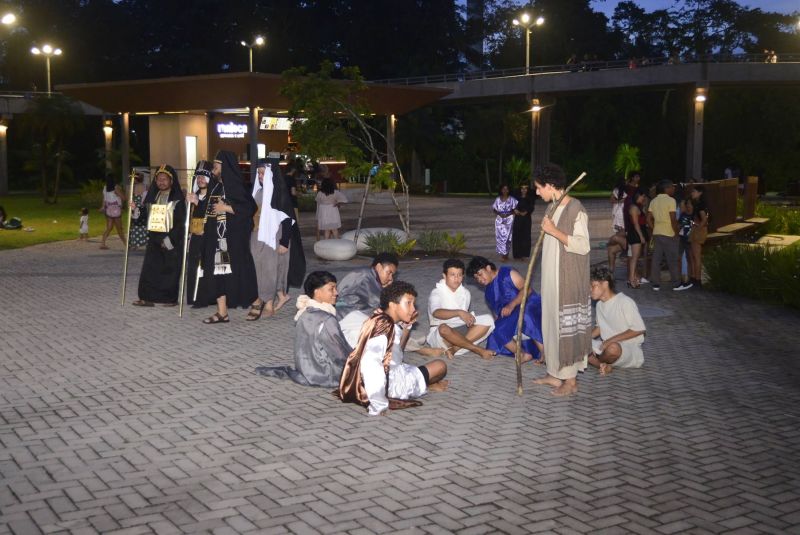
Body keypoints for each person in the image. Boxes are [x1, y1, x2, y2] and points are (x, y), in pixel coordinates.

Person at [337, 281, 448, 416]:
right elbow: (370, 362)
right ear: (393, 305)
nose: (413, 309)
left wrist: (407, 327)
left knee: (421, 368)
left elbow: (398, 352)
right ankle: (426, 385)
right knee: (440, 366)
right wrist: (379, 403)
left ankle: (425, 384)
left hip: (390, 373)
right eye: (408, 303)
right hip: (390, 384)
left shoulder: (384, 319)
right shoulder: (384, 326)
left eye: (413, 304)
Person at [532, 164, 592, 396]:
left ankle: (570, 380)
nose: (537, 192)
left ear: (550, 185)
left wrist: (554, 230)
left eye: (539, 187)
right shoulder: (552, 206)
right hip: (551, 277)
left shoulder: (576, 208)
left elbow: (583, 245)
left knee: (565, 328)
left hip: (566, 279)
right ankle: (555, 373)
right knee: (550, 324)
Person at [255, 271, 351, 387]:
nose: (336, 292)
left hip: (305, 370)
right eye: (331, 289)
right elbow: (339, 354)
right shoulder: (326, 319)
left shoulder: (304, 312)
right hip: (326, 374)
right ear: (317, 292)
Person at [196, 151, 259, 323]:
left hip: (233, 240)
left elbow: (249, 209)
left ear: (226, 167)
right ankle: (222, 312)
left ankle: (256, 301)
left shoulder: (236, 187)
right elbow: (209, 209)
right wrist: (197, 202)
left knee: (239, 273)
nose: (214, 169)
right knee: (217, 274)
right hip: (214, 239)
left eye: (217, 166)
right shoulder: (215, 186)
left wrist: (226, 208)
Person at [248, 158, 305, 320]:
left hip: (273, 236)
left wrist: (284, 242)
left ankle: (269, 304)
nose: (260, 176)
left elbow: (287, 219)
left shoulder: (278, 192)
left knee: (270, 269)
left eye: (262, 173)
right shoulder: (257, 192)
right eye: (258, 173)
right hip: (257, 235)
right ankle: (275, 296)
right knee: (257, 268)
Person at [466, 256, 544, 362]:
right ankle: (522, 353)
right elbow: (497, 314)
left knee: (526, 314)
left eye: (480, 274)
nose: (479, 279)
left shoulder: (507, 273)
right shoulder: (488, 292)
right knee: (497, 331)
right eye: (476, 278)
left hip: (528, 303)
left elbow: (527, 289)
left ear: (488, 268)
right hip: (512, 313)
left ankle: (543, 353)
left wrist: (512, 304)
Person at [133, 164, 186, 307]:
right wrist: (136, 210)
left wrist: (169, 239)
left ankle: (170, 299)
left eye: (164, 179)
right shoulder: (153, 197)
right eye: (159, 179)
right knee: (150, 269)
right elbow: (144, 216)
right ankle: (147, 297)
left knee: (169, 270)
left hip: (170, 239)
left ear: (171, 181)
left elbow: (181, 223)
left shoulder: (178, 200)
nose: (161, 182)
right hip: (154, 238)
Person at [427, 258, 495, 360]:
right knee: (443, 328)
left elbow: (464, 319)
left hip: (460, 329)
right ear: (444, 276)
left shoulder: (465, 293)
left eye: (459, 275)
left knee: (488, 319)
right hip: (441, 334)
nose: (456, 278)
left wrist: (469, 319)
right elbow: (436, 313)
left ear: (463, 277)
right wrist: (459, 312)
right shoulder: (436, 292)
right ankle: (478, 350)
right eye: (452, 275)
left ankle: (455, 349)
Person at [587, 267, 646, 376]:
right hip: (605, 346)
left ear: (605, 284)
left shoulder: (624, 302)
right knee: (578, 346)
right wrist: (584, 339)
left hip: (629, 349)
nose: (590, 290)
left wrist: (609, 341)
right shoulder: (599, 305)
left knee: (613, 348)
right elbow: (599, 328)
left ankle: (596, 361)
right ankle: (604, 365)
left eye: (593, 286)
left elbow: (639, 329)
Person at [336, 253, 399, 347]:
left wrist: (385, 289)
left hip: (361, 316)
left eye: (392, 275)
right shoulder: (361, 275)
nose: (390, 278)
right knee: (387, 329)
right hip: (347, 317)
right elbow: (338, 294)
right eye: (389, 272)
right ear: (379, 267)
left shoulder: (375, 279)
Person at [647, 179, 692, 291]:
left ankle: (655, 284)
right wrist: (676, 233)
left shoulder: (653, 201)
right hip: (669, 233)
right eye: (672, 186)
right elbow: (673, 219)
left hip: (657, 233)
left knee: (656, 259)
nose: (673, 188)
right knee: (672, 260)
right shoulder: (671, 200)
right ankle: (677, 284)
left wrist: (654, 228)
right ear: (666, 188)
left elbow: (648, 219)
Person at [185, 161, 215, 307]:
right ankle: (193, 297)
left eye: (204, 177)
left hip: (209, 237)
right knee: (193, 266)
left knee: (206, 266)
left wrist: (199, 203)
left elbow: (212, 215)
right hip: (195, 237)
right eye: (198, 177)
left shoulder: (214, 196)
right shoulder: (193, 195)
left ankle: (207, 297)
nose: (200, 179)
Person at [625, 189, 650, 289]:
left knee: (635, 257)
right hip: (636, 234)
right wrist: (641, 236)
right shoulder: (634, 208)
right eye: (642, 196)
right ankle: (631, 279)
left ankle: (633, 278)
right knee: (634, 258)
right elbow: (636, 224)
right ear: (638, 196)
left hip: (637, 233)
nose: (644, 198)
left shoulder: (637, 206)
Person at [688, 185, 709, 288]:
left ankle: (697, 279)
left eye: (694, 191)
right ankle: (693, 277)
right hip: (696, 229)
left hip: (698, 231)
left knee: (696, 256)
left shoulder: (701, 205)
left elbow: (704, 219)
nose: (692, 193)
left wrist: (698, 228)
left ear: (700, 193)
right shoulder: (698, 203)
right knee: (692, 255)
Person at [99, 174, 126, 250]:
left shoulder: (105, 188)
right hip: (116, 210)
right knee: (119, 228)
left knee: (109, 227)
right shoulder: (116, 188)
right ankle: (126, 244)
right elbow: (124, 198)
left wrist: (102, 207)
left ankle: (102, 243)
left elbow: (104, 199)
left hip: (108, 209)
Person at [492, 184, 517, 261]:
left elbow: (515, 210)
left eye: (506, 189)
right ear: (501, 190)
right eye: (503, 189)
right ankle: (503, 255)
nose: (505, 191)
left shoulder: (512, 199)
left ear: (509, 190)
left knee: (507, 237)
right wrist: (499, 214)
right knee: (500, 237)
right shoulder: (497, 199)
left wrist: (508, 214)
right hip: (499, 220)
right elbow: (494, 209)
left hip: (509, 220)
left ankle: (506, 254)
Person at [511, 184, 534, 260]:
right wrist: (515, 210)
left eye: (525, 188)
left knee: (526, 236)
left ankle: (524, 254)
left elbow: (531, 207)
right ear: (520, 189)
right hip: (518, 218)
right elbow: (513, 206)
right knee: (517, 235)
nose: (524, 190)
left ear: (528, 190)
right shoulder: (516, 198)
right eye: (522, 188)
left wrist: (526, 212)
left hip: (527, 219)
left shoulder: (530, 198)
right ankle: (517, 254)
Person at [129, 172, 149, 250]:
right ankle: (146, 242)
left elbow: (131, 198)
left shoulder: (134, 187)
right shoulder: (145, 187)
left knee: (135, 225)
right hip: (142, 208)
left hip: (135, 208)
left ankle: (135, 243)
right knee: (144, 225)